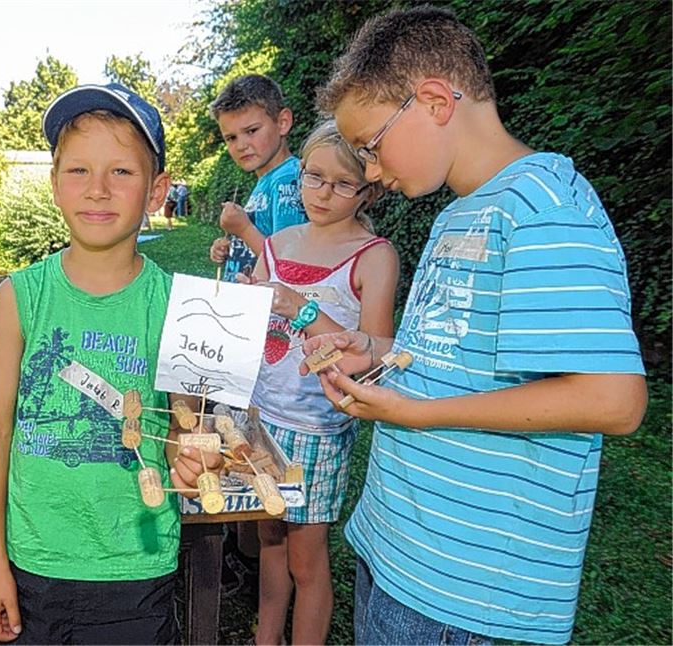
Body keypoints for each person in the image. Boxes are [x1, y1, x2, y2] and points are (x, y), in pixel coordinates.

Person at [305, 6, 648, 645]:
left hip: (464, 593)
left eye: (372, 147)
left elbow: (614, 398)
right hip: (402, 547)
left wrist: (416, 414)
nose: (372, 172)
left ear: (434, 100)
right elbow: (444, 355)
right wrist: (373, 349)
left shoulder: (544, 210)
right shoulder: (460, 214)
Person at [0, 82, 222, 644]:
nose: (99, 190)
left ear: (157, 190)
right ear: (56, 185)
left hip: (137, 568)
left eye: (122, 173)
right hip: (31, 560)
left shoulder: (182, 306)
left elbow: (190, 427)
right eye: (78, 171)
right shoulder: (21, 295)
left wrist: (198, 457)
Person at [237, 120, 398, 645]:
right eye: (313, 178)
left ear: (368, 188)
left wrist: (301, 309)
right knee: (269, 541)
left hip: (318, 428)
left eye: (342, 184)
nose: (323, 193)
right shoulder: (278, 242)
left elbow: (374, 354)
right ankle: (267, 638)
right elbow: (258, 330)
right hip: (262, 415)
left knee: (307, 559)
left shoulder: (374, 256)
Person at [208, 74, 308, 281]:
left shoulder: (287, 181)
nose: (241, 145)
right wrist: (231, 249)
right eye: (231, 138)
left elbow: (288, 266)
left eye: (251, 131)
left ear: (282, 122)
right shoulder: (267, 180)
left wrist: (243, 229)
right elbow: (262, 243)